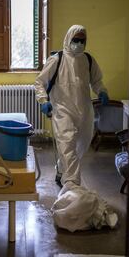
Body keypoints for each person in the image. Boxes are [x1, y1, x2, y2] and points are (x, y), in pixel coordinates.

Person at [35, 25, 109, 186]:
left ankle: (62, 170)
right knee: (66, 144)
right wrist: (43, 100)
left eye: (83, 40)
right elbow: (40, 82)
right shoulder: (57, 59)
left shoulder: (88, 60)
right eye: (76, 40)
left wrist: (101, 91)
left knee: (81, 145)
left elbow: (96, 81)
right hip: (62, 110)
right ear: (68, 38)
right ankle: (72, 184)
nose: (79, 44)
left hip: (84, 111)